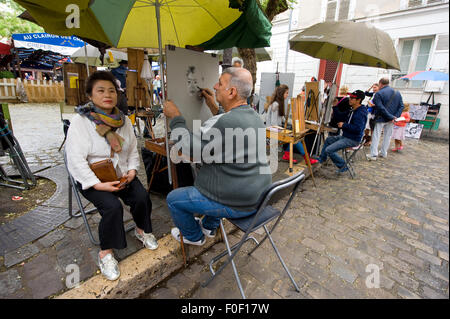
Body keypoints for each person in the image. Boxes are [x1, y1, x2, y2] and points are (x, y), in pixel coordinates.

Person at [65, 71, 158, 281]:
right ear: (90, 95)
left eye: (111, 90)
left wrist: (133, 170)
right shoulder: (80, 122)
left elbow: (133, 150)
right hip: (93, 178)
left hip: (121, 174)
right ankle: (105, 252)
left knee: (142, 196)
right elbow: (75, 161)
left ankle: (141, 230)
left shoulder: (123, 121)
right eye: (101, 90)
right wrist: (97, 185)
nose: (107, 94)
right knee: (112, 207)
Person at [163, 67, 271, 246]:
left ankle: (194, 237)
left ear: (231, 91)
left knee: (174, 199)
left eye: (220, 83)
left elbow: (189, 148)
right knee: (218, 178)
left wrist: (176, 117)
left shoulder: (226, 123)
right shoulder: (255, 117)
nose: (214, 86)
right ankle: (209, 226)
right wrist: (213, 105)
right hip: (258, 196)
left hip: (237, 202)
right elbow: (229, 126)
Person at [264, 84, 318, 165]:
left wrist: (292, 123)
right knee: (295, 137)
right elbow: (273, 123)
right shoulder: (276, 104)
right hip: (272, 131)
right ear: (281, 93)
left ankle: (287, 154)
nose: (287, 95)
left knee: (294, 136)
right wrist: (283, 131)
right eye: (286, 93)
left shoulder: (279, 103)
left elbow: (282, 119)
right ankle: (306, 158)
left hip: (275, 129)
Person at [317, 90, 368, 173]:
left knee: (329, 150)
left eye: (352, 98)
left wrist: (344, 125)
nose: (349, 99)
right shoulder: (352, 109)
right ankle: (322, 158)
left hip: (353, 139)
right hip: (346, 136)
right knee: (328, 140)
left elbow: (358, 129)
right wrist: (335, 106)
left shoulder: (360, 113)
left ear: (358, 100)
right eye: (350, 97)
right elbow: (340, 116)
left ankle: (343, 166)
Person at [367, 78, 404, 161]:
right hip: (392, 119)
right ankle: (384, 153)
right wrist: (395, 117)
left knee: (376, 136)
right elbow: (401, 106)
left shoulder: (379, 93)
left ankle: (373, 154)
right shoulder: (397, 92)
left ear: (380, 84)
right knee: (388, 136)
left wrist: (391, 117)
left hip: (381, 117)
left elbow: (380, 108)